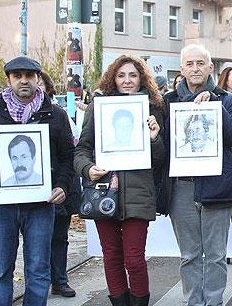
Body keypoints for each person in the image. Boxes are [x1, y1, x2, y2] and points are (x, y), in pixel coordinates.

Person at [74, 55, 165, 306]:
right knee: (111, 256)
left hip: (138, 193)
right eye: (122, 75)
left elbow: (161, 159)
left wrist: (155, 137)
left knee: (134, 259)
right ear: (113, 78)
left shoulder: (153, 109)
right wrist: (87, 168)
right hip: (103, 192)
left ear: (141, 79)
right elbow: (82, 148)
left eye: (133, 75)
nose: (127, 80)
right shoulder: (99, 107)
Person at [161, 44, 232, 306]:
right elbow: (163, 147)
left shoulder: (227, 99)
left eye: (200, 63)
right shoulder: (169, 101)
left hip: (216, 186)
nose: (195, 69)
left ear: (210, 67)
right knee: (190, 255)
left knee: (217, 254)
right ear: (182, 68)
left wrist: (215, 109)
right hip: (182, 188)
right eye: (189, 64)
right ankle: (194, 302)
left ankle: (214, 302)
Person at [0, 56, 74, 306]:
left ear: (38, 79)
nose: (23, 81)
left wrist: (62, 186)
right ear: (9, 80)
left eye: (29, 76)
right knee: (0, 269)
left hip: (42, 204)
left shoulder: (55, 115)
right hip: (3, 206)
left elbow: (68, 157)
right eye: (17, 76)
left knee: (38, 271)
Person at [39, 71, 81, 298]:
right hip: (30, 188)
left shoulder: (58, 114)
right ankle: (39, 281)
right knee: (37, 239)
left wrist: (64, 185)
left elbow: (69, 151)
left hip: (58, 184)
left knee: (59, 236)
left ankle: (60, 279)